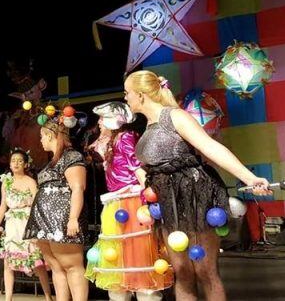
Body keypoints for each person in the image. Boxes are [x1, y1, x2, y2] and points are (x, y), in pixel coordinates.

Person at [123, 71, 270, 301]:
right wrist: (142, 174)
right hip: (168, 203)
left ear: (140, 95)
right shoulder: (148, 127)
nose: (126, 98)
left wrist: (249, 178)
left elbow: (210, 148)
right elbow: (154, 167)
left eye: (127, 93)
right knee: (182, 272)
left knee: (205, 271)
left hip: (194, 196)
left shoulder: (175, 117)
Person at [85, 102, 172, 300]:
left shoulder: (126, 137)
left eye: (102, 118)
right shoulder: (112, 141)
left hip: (131, 202)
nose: (99, 123)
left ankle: (145, 295)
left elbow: (138, 169)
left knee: (138, 256)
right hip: (116, 201)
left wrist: (146, 200)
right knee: (118, 259)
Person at [24, 118, 89, 301]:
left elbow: (77, 188)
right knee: (55, 266)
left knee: (72, 266)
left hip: (62, 219)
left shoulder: (71, 156)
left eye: (42, 137)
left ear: (50, 135)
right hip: (44, 220)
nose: (40, 141)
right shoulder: (52, 161)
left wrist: (73, 218)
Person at [0, 148, 53, 301]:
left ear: (26, 164)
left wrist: (35, 227)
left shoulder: (31, 182)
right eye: (13, 161)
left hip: (27, 223)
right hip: (12, 224)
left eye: (20, 161)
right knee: (8, 262)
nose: (16, 163)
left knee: (37, 262)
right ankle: (9, 298)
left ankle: (48, 296)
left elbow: (36, 207)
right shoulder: (6, 182)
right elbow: (2, 205)